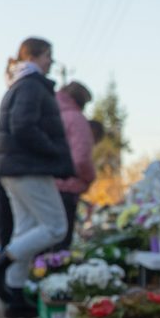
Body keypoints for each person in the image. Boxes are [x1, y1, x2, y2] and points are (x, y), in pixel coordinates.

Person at [0, 37, 74, 318]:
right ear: (33, 56)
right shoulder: (32, 86)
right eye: (48, 56)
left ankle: (15, 296)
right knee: (56, 226)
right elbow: (23, 126)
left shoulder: (19, 83)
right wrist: (54, 151)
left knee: (25, 230)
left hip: (13, 167)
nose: (51, 62)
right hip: (28, 167)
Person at [52, 81, 103, 251]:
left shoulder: (52, 113)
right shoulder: (76, 119)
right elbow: (81, 159)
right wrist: (90, 177)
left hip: (47, 183)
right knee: (61, 242)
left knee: (47, 239)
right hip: (68, 186)